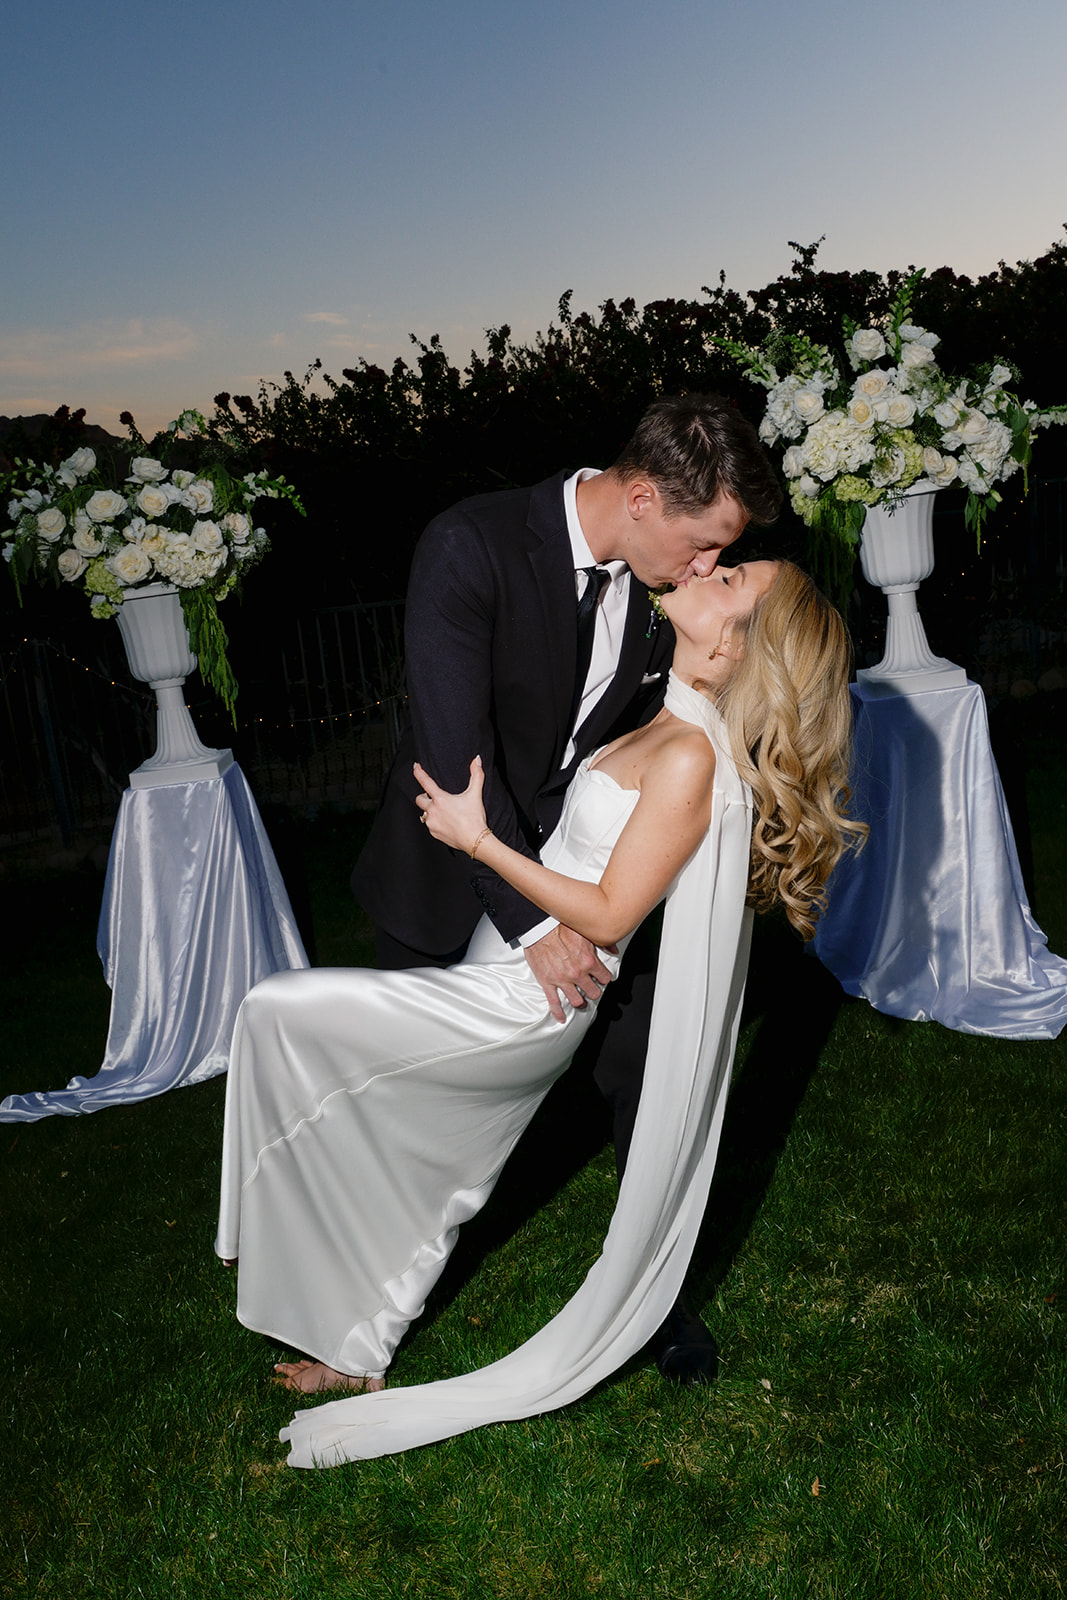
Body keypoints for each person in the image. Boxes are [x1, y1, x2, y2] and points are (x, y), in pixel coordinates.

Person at [216, 559, 865, 1467]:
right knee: (416, 1155)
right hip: (508, 964)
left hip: (524, 1002)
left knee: (276, 1010)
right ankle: (353, 1345)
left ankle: (255, 1232)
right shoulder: (664, 720)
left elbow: (607, 915)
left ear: (730, 643)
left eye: (733, 576)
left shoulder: (688, 757)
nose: (710, 564)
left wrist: (476, 838)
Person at [350, 394, 783, 1382]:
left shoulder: (660, 586)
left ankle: (649, 1295)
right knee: (405, 1104)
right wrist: (536, 921)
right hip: (446, 868)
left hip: (587, 880)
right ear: (640, 497)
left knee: (641, 1076)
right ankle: (359, 1327)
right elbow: (454, 757)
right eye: (704, 541)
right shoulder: (471, 544)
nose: (708, 565)